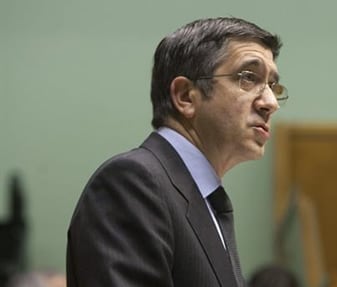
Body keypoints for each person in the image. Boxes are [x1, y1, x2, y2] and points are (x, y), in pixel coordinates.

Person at [67, 17, 287, 287]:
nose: (270, 103)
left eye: (273, 86)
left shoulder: (206, 199)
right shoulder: (133, 183)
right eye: (248, 78)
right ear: (185, 96)